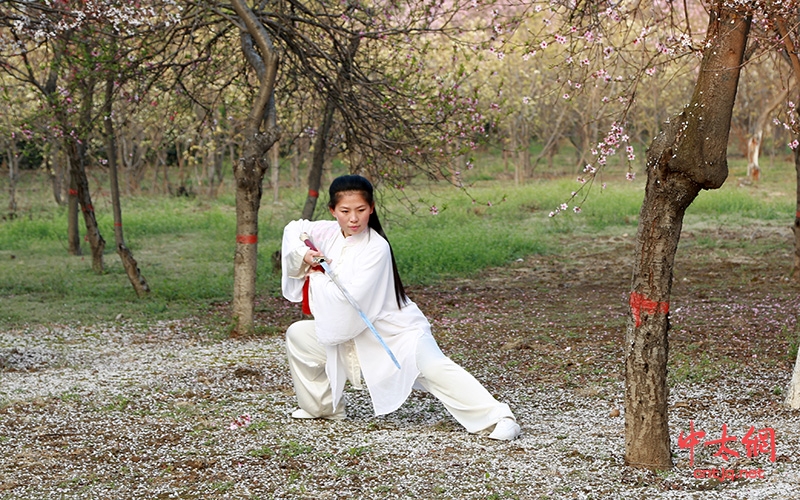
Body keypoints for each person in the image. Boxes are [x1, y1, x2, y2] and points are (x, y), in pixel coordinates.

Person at [281, 174, 520, 440]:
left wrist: (314, 274)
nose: (353, 219)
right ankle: (322, 408)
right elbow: (294, 228)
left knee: (434, 368)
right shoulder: (327, 231)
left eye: (361, 210)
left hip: (395, 331)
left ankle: (499, 417)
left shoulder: (376, 248)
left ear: (371, 208)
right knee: (299, 335)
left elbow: (349, 300)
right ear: (332, 211)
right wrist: (304, 254)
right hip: (354, 334)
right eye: (345, 211)